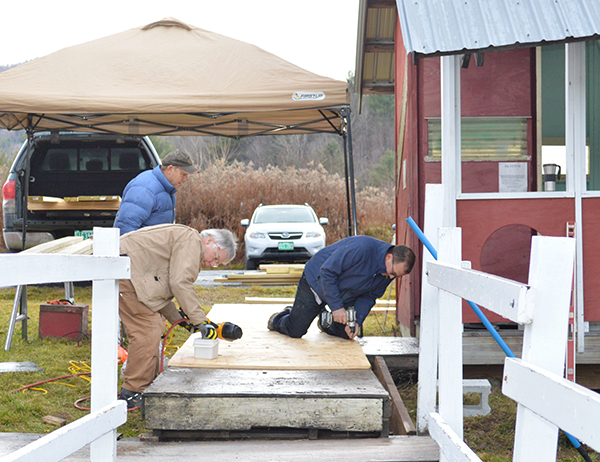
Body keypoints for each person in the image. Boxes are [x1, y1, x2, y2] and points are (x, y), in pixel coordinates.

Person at [117, 223, 238, 409]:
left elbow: (159, 293)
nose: (213, 265)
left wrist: (182, 321)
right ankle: (132, 393)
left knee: (154, 325)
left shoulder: (185, 241)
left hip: (130, 270)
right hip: (126, 270)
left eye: (217, 264)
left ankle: (146, 383)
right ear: (210, 241)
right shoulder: (192, 240)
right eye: (215, 258)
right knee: (147, 330)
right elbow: (180, 283)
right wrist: (200, 321)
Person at [268, 235, 415, 340]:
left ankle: (325, 322)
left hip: (345, 294)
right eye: (393, 273)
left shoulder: (387, 272)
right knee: (295, 331)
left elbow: (369, 297)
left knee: (347, 332)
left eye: (397, 276)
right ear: (389, 257)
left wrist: (357, 321)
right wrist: (337, 307)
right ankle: (280, 317)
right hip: (317, 282)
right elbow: (327, 272)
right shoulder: (361, 248)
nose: (390, 277)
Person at [113, 149, 198, 235]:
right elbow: (125, 227)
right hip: (141, 248)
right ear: (170, 169)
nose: (185, 179)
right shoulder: (145, 188)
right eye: (183, 174)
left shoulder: (167, 189)